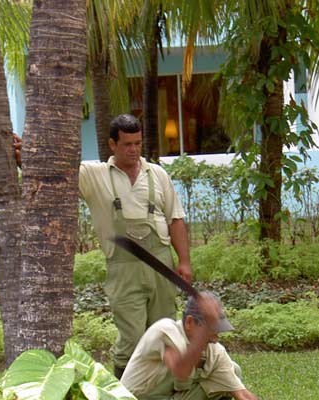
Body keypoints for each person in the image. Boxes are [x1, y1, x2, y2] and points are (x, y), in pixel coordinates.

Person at [14, 114, 190, 379]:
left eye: (138, 143)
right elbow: (54, 172)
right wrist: (25, 153)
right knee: (131, 338)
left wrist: (184, 262)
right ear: (112, 144)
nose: (133, 150)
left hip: (161, 265)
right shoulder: (93, 175)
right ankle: (123, 397)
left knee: (165, 333)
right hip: (123, 268)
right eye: (127, 144)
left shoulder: (158, 175)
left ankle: (159, 395)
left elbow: (175, 219)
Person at [111, 291, 299, 400]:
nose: (215, 338)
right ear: (190, 322)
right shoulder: (165, 331)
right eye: (211, 330)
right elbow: (180, 370)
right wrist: (203, 334)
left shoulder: (213, 351)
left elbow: (243, 396)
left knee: (232, 371)